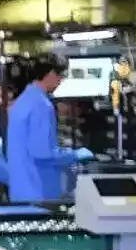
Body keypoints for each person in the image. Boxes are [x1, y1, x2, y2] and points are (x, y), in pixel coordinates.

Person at [6, 58, 93, 201]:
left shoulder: (23, 101)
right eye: (61, 75)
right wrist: (74, 155)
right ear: (50, 73)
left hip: (21, 189)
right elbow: (43, 154)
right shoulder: (41, 105)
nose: (61, 80)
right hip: (39, 191)